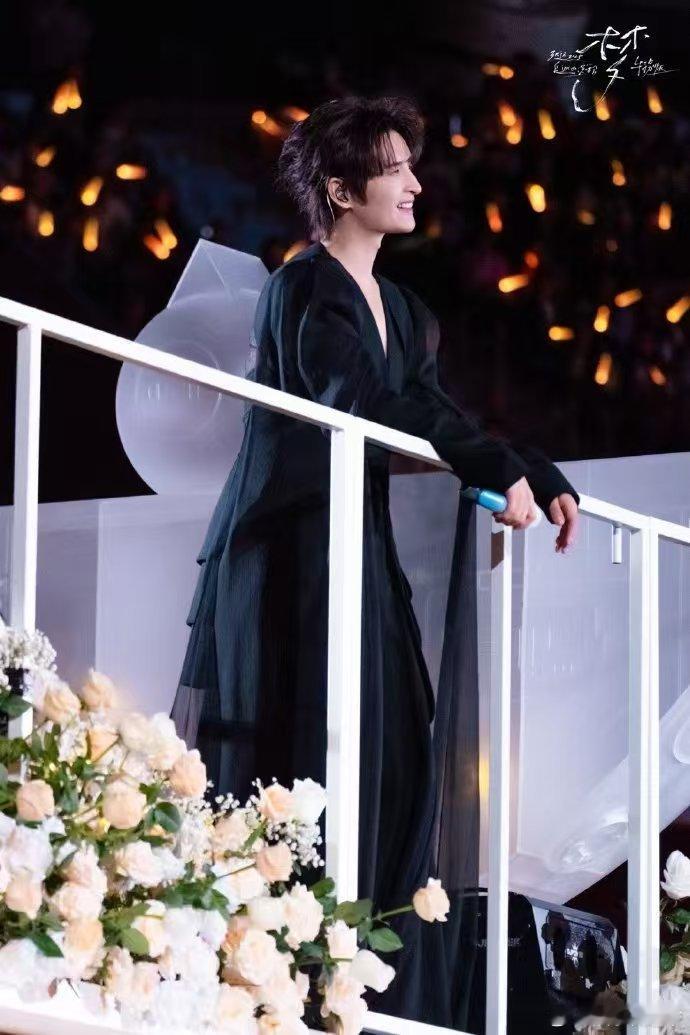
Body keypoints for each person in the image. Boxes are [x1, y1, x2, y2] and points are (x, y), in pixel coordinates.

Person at [170, 95, 580, 1029]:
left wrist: (526, 466)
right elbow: (357, 399)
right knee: (298, 751)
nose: (415, 184)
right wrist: (493, 465)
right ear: (342, 189)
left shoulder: (405, 309)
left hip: (358, 546)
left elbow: (432, 410)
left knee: (396, 743)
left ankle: (354, 975)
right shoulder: (302, 287)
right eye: (395, 169)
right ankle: (280, 981)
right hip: (287, 553)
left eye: (410, 165)